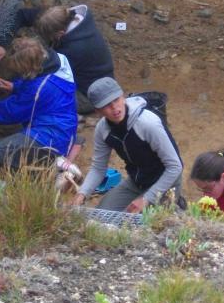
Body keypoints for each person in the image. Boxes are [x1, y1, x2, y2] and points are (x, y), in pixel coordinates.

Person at [0, 37, 78, 170]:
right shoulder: (58, 60)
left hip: (50, 136)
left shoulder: (39, 89)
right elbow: (36, 81)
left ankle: (55, 166)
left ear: (29, 67)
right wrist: (14, 86)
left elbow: (9, 111)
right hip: (63, 125)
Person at [73, 77, 183, 213]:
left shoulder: (148, 123)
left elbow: (175, 167)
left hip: (166, 183)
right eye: (107, 105)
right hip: (137, 182)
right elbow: (98, 168)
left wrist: (146, 199)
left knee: (138, 223)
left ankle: (177, 206)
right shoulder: (102, 130)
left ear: (123, 97)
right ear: (98, 111)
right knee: (101, 215)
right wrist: (82, 193)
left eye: (116, 100)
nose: (114, 108)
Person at [0, 5, 114, 111]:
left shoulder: (74, 49)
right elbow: (21, 15)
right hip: (82, 76)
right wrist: (3, 44)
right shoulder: (58, 16)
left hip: (88, 95)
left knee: (35, 96)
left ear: (60, 33)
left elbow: (38, 73)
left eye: (49, 36)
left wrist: (2, 89)